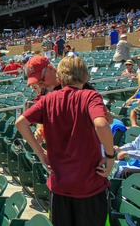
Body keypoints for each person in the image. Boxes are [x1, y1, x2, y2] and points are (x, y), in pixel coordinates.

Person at [16, 56, 114, 226]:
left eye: (41, 80)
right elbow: (102, 124)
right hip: (88, 184)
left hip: (61, 186)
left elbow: (20, 123)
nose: (39, 85)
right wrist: (111, 156)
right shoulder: (89, 95)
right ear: (85, 76)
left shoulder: (51, 99)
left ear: (57, 74)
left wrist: (40, 152)